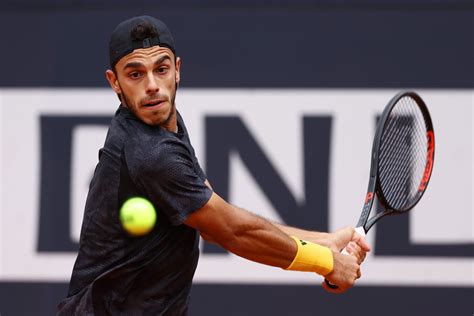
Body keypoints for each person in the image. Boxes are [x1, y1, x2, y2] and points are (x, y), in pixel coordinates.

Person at [57, 15, 370, 315]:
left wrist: (324, 242)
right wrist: (326, 262)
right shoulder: (150, 154)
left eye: (161, 69)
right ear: (115, 82)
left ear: (177, 70)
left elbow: (218, 216)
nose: (152, 85)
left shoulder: (166, 123)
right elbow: (232, 232)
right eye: (135, 74)